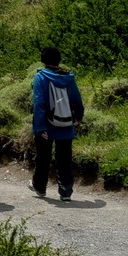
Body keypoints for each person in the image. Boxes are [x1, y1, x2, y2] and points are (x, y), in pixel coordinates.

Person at [31, 45, 84, 200]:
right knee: (65, 158)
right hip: (66, 123)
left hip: (46, 124)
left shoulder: (40, 77)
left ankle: (40, 188)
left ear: (43, 60)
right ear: (58, 59)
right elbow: (76, 100)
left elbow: (39, 103)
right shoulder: (69, 77)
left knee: (43, 157)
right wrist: (79, 117)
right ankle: (66, 191)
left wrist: (40, 127)